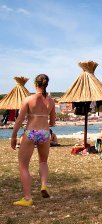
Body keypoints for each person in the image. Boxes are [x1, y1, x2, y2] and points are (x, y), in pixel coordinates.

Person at [10, 74, 56, 206]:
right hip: (45, 133)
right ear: (46, 85)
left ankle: (28, 198)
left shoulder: (28, 99)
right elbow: (53, 122)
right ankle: (43, 185)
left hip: (31, 132)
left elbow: (19, 120)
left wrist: (13, 136)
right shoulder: (51, 101)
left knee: (23, 165)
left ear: (35, 84)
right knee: (43, 162)